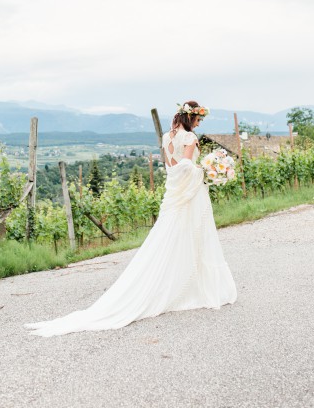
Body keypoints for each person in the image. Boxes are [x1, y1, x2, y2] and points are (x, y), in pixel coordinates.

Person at [25, 100, 237, 337]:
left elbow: (171, 167)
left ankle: (180, 281)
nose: (199, 122)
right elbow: (186, 167)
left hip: (176, 193)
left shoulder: (168, 137)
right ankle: (192, 287)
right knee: (194, 235)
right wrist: (206, 171)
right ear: (190, 118)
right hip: (191, 193)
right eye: (198, 119)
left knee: (172, 236)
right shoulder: (189, 138)